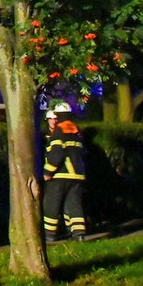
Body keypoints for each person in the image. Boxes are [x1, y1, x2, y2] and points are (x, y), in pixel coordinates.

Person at [43, 102, 88, 241]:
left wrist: (48, 172)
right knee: (74, 204)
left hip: (61, 174)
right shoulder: (76, 130)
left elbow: (57, 154)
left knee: (51, 203)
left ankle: (49, 235)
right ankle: (79, 234)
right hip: (78, 175)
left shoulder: (59, 130)